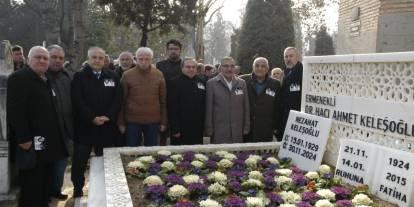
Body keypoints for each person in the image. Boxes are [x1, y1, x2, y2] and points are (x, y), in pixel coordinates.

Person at [7, 46, 67, 207]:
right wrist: (24, 138)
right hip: (30, 141)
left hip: (47, 141)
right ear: (28, 59)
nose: (42, 60)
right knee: (32, 181)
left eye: (45, 58)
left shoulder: (45, 78)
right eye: (38, 57)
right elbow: (15, 111)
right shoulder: (19, 78)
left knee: (45, 178)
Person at [71, 47, 122, 197]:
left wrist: (109, 116)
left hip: (106, 127)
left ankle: (105, 187)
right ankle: (78, 188)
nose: (98, 60)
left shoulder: (112, 76)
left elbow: (118, 99)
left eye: (100, 57)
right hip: (85, 126)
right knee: (80, 160)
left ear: (104, 60)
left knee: (105, 159)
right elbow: (77, 100)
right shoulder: (79, 77)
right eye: (94, 57)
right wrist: (92, 117)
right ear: (88, 59)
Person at [119, 47, 167, 146]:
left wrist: (163, 121)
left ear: (151, 59)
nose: (144, 62)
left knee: (152, 153)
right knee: (132, 153)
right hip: (132, 122)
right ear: (136, 59)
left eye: (147, 59)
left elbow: (163, 100)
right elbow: (121, 101)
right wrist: (121, 122)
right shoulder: (127, 75)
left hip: (153, 121)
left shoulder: (158, 74)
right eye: (140, 59)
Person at [46, 44, 74, 200]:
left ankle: (56, 189)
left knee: (62, 163)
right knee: (48, 164)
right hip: (48, 131)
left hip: (66, 129)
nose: (57, 61)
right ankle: (46, 192)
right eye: (54, 57)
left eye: (60, 58)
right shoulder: (41, 76)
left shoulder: (66, 76)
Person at [205, 57, 250, 144]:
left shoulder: (242, 83)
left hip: (237, 130)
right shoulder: (211, 83)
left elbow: (246, 107)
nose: (229, 69)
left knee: (238, 156)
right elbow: (208, 108)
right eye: (226, 66)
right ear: (220, 68)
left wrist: (246, 126)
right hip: (219, 131)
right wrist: (209, 129)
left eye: (232, 66)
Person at [240, 57, 282, 142]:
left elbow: (277, 107)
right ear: (253, 67)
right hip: (246, 129)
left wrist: (275, 126)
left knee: (264, 154)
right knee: (245, 154)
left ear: (267, 68)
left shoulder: (275, 84)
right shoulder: (242, 81)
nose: (260, 68)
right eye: (257, 66)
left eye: (263, 66)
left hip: (266, 129)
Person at [169, 58, 206, 145]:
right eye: (188, 67)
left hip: (197, 126)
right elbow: (172, 107)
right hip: (181, 128)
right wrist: (175, 129)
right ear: (182, 68)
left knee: (197, 155)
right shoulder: (174, 82)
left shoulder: (201, 82)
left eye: (193, 67)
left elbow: (204, 105)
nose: (191, 69)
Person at [156, 39, 182, 146]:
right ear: (167, 50)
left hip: (180, 105)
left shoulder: (185, 65)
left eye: (176, 49)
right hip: (164, 104)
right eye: (171, 49)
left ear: (180, 51)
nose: (173, 51)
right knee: (162, 134)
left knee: (179, 135)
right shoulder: (160, 65)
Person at [279, 47, 303, 138]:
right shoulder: (283, 73)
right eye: (286, 56)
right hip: (284, 118)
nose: (288, 59)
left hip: (298, 119)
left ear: (297, 57)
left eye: (291, 56)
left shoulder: (304, 73)